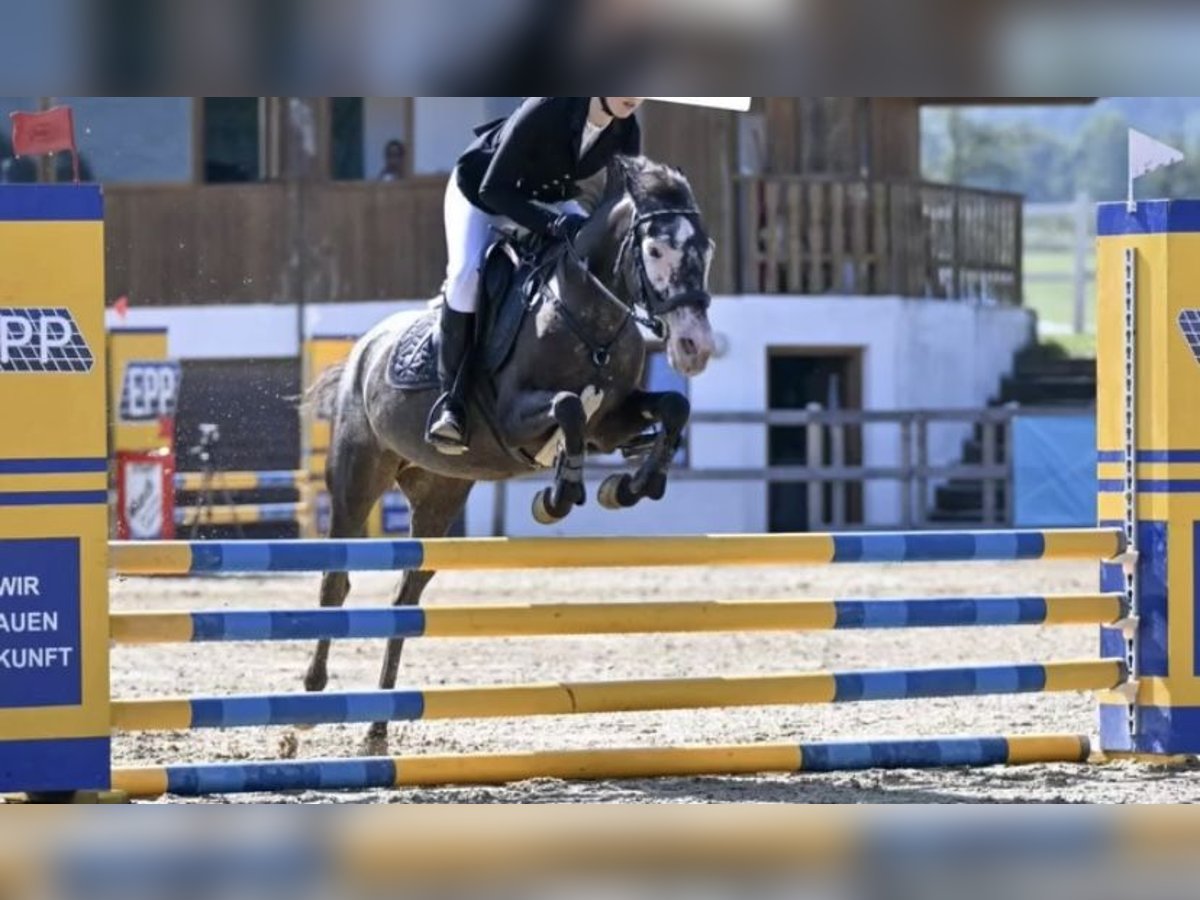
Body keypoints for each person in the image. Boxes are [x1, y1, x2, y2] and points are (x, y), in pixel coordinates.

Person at [426, 96, 644, 454]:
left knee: (595, 261)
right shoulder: (548, 107)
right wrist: (554, 223)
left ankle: (618, 414)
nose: (633, 97)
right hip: (482, 193)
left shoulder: (626, 128)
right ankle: (452, 405)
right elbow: (492, 189)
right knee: (466, 275)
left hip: (548, 198)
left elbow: (624, 199)